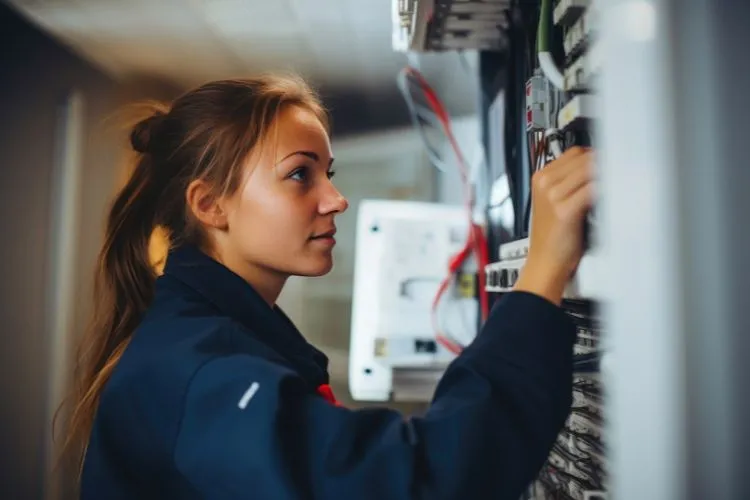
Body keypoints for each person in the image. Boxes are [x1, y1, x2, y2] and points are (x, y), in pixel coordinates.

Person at [60, 75, 594, 500]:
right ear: (209, 205)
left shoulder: (209, 337)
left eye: (328, 173)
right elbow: (420, 479)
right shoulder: (202, 372)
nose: (336, 199)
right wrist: (543, 269)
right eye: (300, 175)